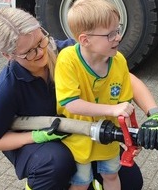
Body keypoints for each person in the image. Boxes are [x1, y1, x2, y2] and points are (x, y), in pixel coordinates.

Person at [0, 6, 158, 190]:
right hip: (38, 147)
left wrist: (155, 114)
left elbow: (126, 78)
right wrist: (37, 136)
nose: (41, 52)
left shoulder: (67, 54)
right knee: (56, 163)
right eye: (29, 52)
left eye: (41, 40)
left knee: (130, 182)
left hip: (82, 132)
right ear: (8, 55)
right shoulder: (6, 88)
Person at [54, 0, 135, 190]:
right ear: (85, 40)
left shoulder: (119, 61)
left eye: (118, 29)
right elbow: (71, 103)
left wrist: (130, 137)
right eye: (110, 34)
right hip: (78, 136)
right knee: (81, 182)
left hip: (108, 138)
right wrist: (112, 109)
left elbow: (124, 103)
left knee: (111, 175)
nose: (118, 37)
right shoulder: (68, 60)